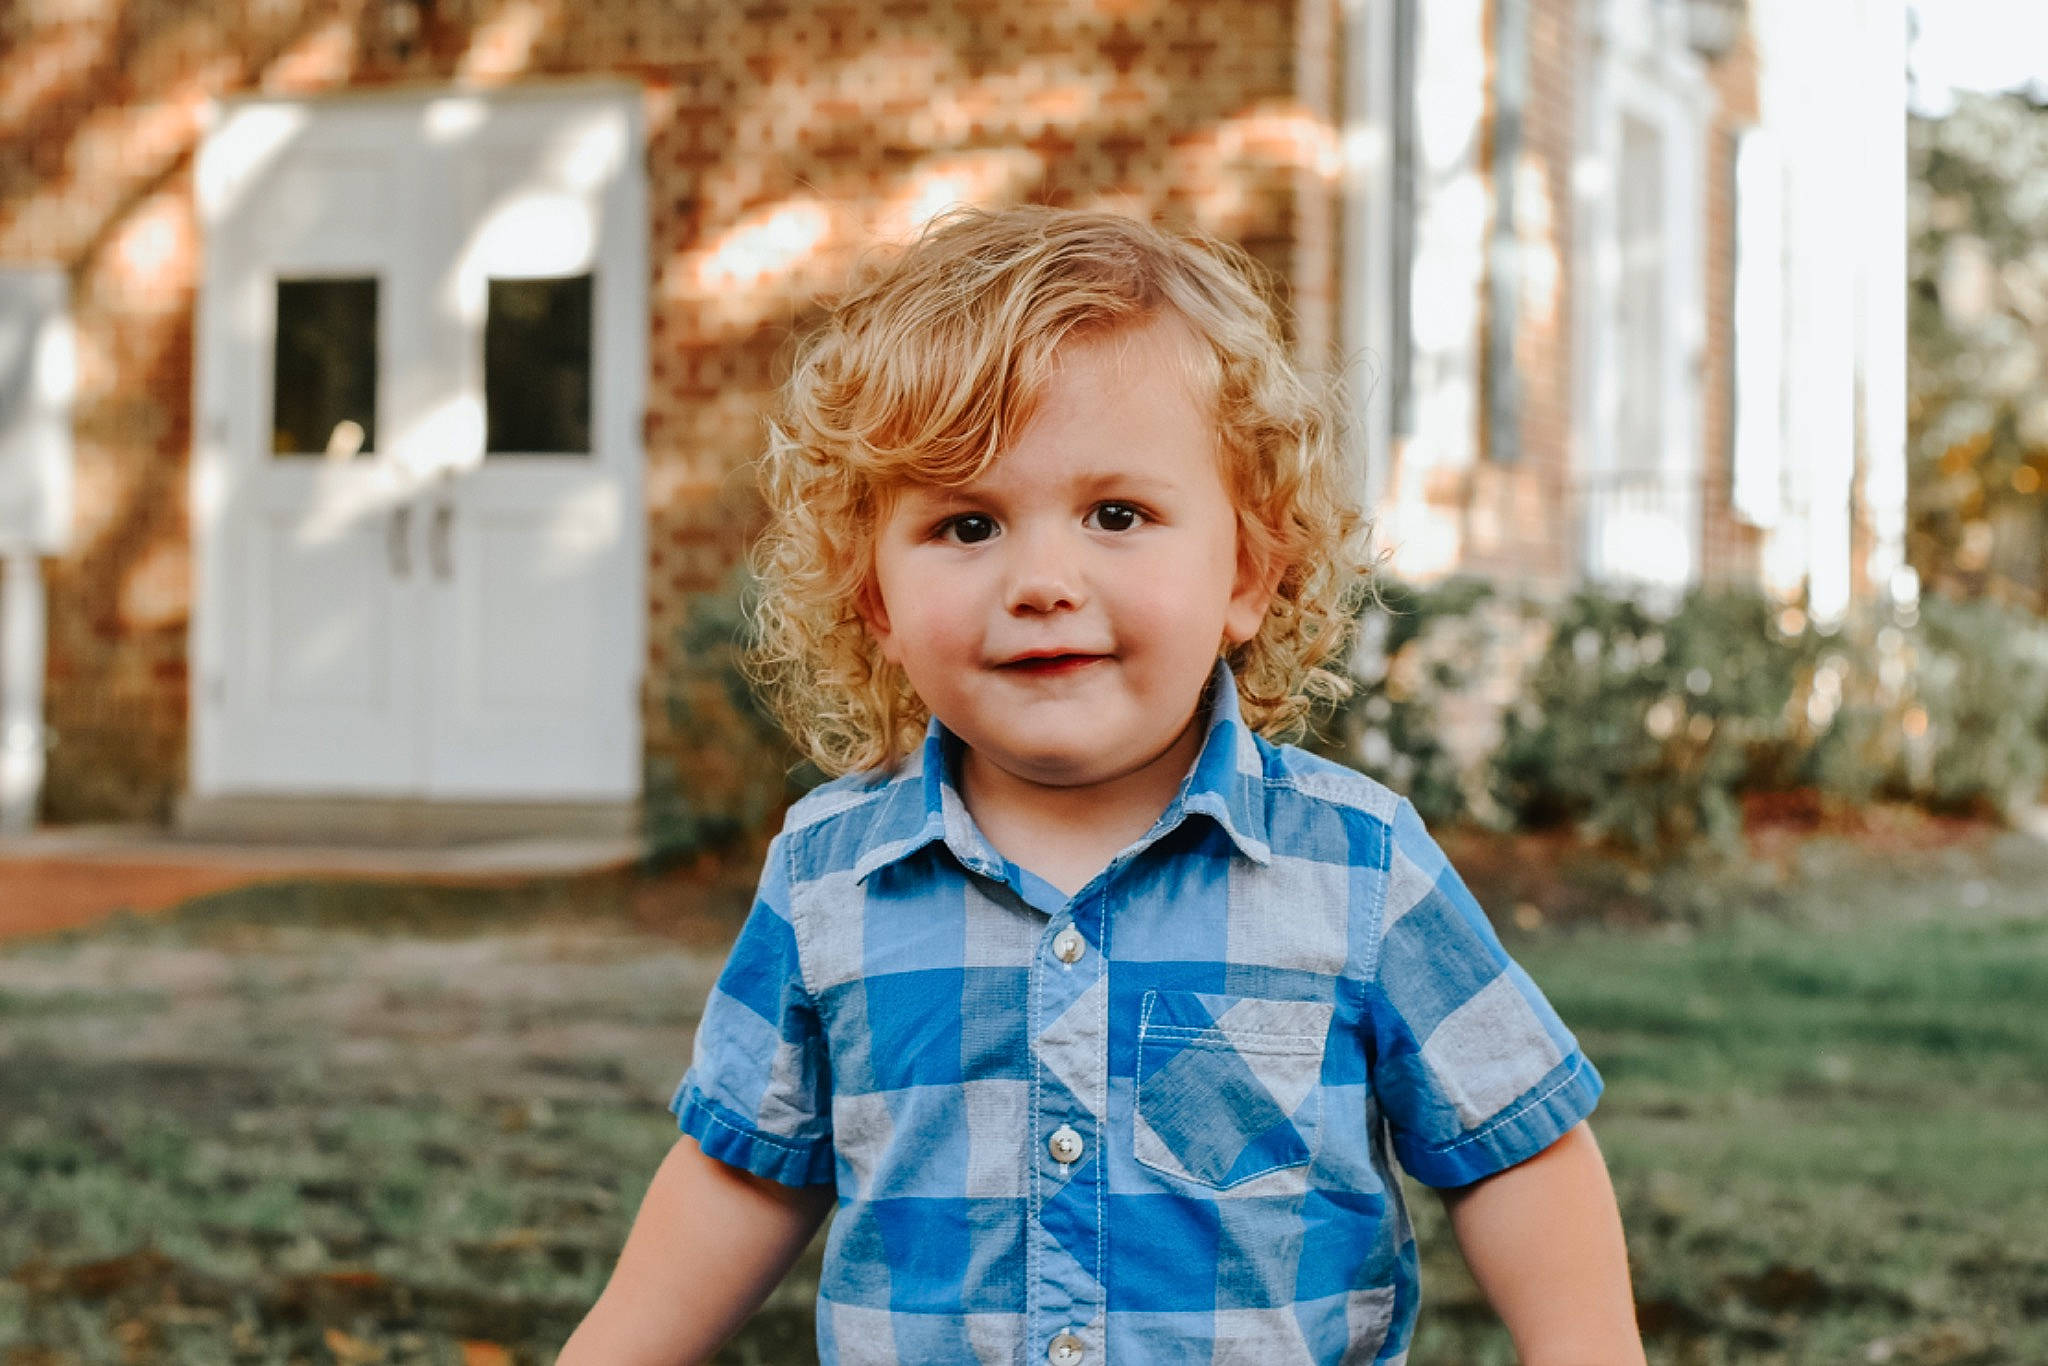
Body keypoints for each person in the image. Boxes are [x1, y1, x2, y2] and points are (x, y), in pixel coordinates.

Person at [559, 206, 1644, 1366]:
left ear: (1248, 572)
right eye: (966, 523)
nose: (1040, 580)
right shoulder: (829, 876)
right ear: (873, 600)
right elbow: (743, 1173)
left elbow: (1516, 1149)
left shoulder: (1353, 865)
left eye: (1115, 514)